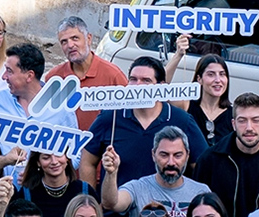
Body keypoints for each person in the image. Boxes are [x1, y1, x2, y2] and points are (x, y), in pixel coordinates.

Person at [83, 57, 206, 189]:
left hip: (164, 207)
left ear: (161, 86)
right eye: (133, 79)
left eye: (146, 80)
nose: (138, 85)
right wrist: (91, 201)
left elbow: (203, 165)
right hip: (117, 206)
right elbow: (87, 160)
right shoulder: (110, 116)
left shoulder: (182, 120)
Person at [191, 94, 259, 217]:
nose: (249, 127)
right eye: (242, 120)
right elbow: (197, 207)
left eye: (255, 120)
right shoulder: (209, 160)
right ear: (233, 124)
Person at [100, 128, 210, 217]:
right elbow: (111, 203)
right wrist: (111, 174)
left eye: (177, 155)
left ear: (187, 156)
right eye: (164, 155)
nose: (171, 162)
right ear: (153, 155)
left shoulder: (201, 192)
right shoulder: (138, 188)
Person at [46, 16, 127, 131]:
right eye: (64, 41)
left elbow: (127, 118)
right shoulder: (54, 78)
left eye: (75, 38)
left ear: (89, 39)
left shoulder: (113, 75)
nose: (70, 45)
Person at [17, 150, 97, 217]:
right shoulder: (26, 193)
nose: (54, 162)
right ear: (38, 162)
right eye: (46, 158)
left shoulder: (85, 189)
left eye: (58, 155)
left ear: (67, 157)